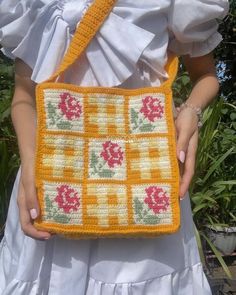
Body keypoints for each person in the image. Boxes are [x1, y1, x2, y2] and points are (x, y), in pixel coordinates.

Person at [0, 0, 229, 294]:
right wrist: (31, 162)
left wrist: (191, 112)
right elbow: (24, 96)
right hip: (51, 180)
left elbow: (206, 76)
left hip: (146, 183)